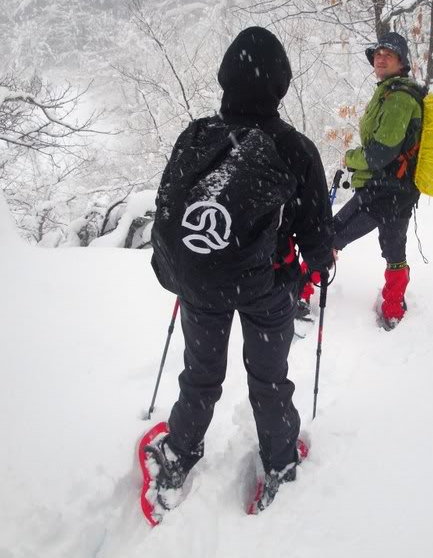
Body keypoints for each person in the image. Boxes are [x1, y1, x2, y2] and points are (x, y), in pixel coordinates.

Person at [148, 27, 335, 514]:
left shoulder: (195, 136)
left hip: (201, 285)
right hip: (266, 286)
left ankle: (178, 453)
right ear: (282, 85)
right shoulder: (295, 149)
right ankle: (279, 462)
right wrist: (318, 268)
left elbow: (170, 208)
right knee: (269, 379)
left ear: (224, 79)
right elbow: (317, 232)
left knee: (201, 374)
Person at [301, 31, 423, 329]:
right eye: (378, 53)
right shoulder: (394, 93)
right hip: (402, 191)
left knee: (329, 236)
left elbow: (381, 152)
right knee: (395, 251)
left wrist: (351, 158)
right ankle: (393, 308)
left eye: (389, 54)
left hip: (381, 191)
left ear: (401, 63)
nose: (381, 57)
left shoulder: (398, 99)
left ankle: (298, 293)